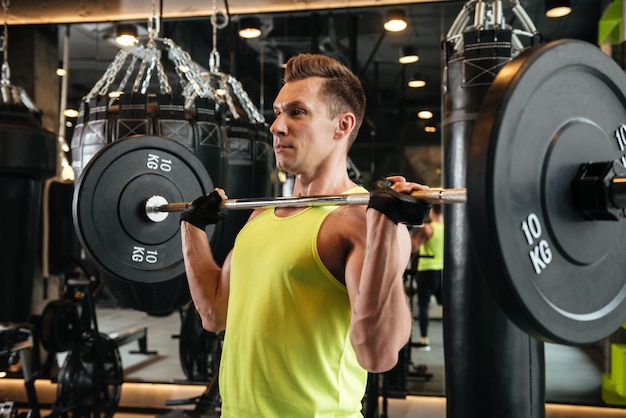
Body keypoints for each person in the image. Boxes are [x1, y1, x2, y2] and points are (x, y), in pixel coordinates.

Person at [179, 53, 431, 417]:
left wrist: (385, 230)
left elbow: (377, 353)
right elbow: (215, 313)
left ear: (341, 126)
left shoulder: (358, 219)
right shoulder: (261, 215)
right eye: (278, 112)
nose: (276, 126)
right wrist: (192, 227)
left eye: (297, 112)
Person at [410, 204, 444, 351]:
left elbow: (413, 247)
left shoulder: (428, 229)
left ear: (431, 212)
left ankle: (424, 340)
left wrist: (408, 230)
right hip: (443, 272)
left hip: (426, 271)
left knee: (424, 307)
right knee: (449, 306)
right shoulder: (450, 228)